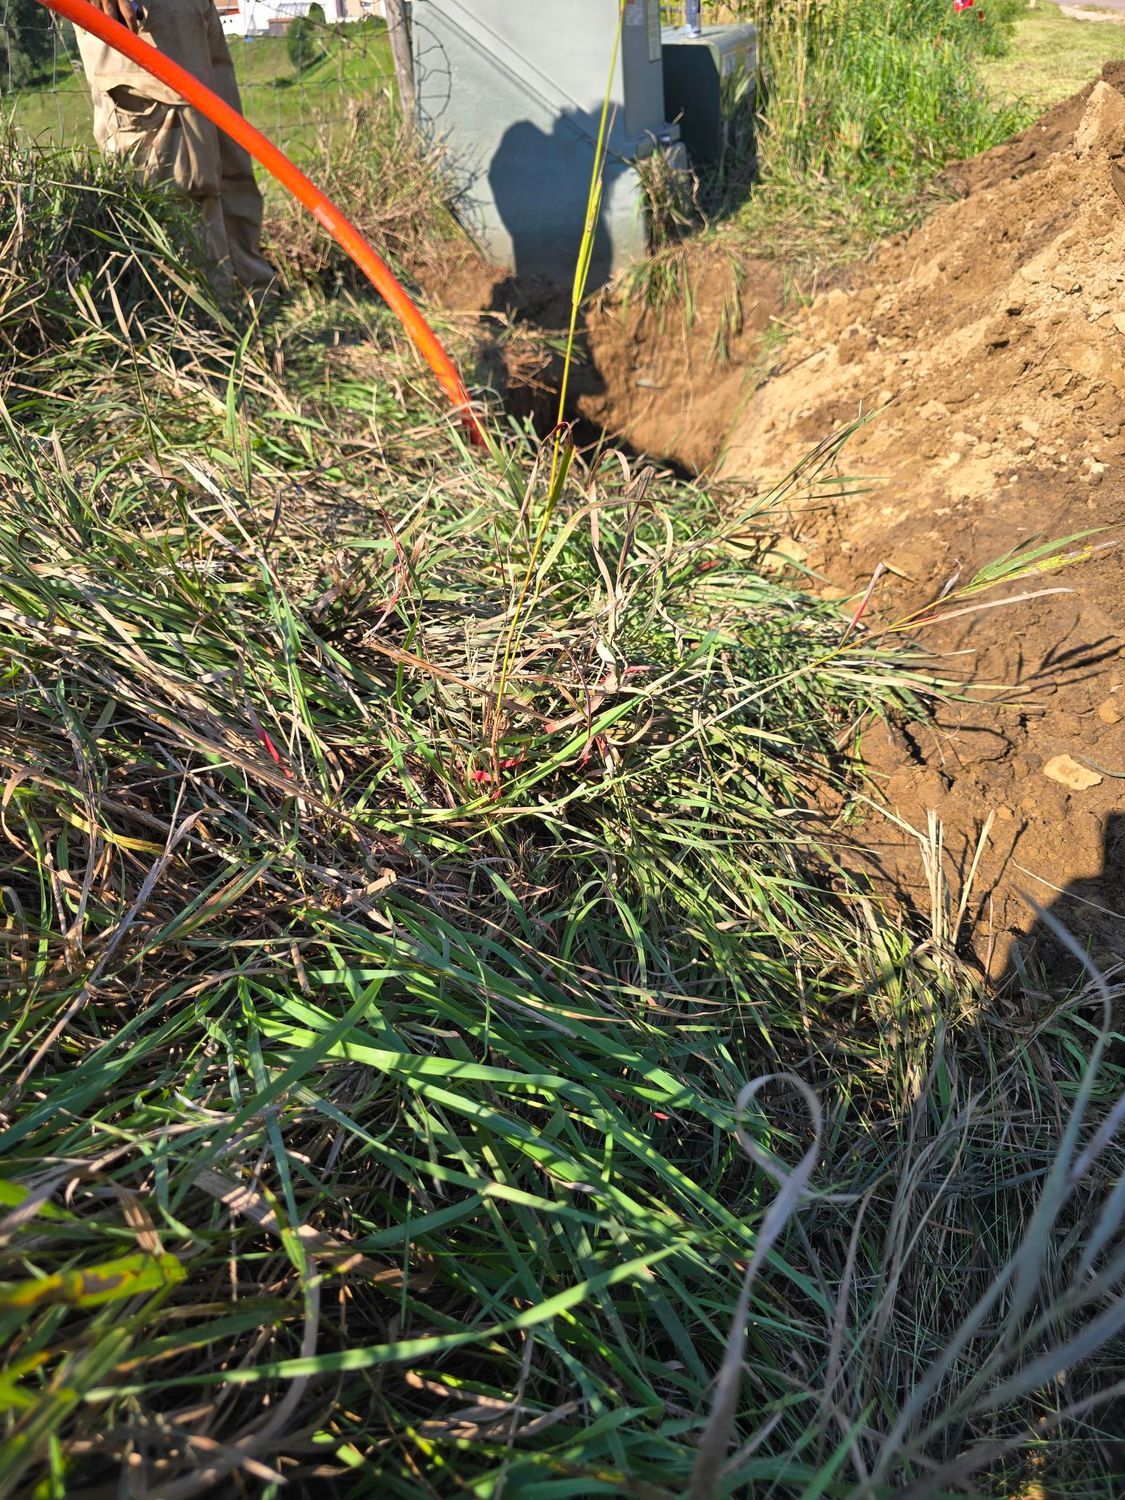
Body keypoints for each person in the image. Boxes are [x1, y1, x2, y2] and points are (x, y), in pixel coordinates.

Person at [79, 0, 273, 290]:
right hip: (140, 12)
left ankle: (251, 304)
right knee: (176, 181)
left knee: (227, 157)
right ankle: (202, 321)